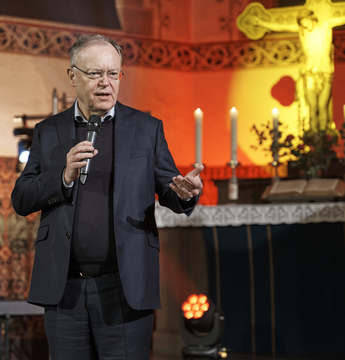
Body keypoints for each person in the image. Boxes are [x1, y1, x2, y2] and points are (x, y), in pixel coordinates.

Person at [11, 34, 203, 360]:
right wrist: (62, 178)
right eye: (95, 74)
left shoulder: (146, 129)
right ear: (72, 76)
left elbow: (170, 189)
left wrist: (183, 193)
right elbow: (21, 198)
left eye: (113, 74)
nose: (105, 83)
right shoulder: (49, 130)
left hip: (124, 289)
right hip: (65, 288)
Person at [248, 4, 345, 135]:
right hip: (310, 73)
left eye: (305, 21)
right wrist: (262, 23)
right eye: (302, 23)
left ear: (311, 18)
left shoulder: (325, 26)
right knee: (312, 107)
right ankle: (314, 135)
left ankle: (323, 135)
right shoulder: (303, 32)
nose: (305, 25)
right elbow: (282, 26)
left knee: (323, 106)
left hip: (325, 73)